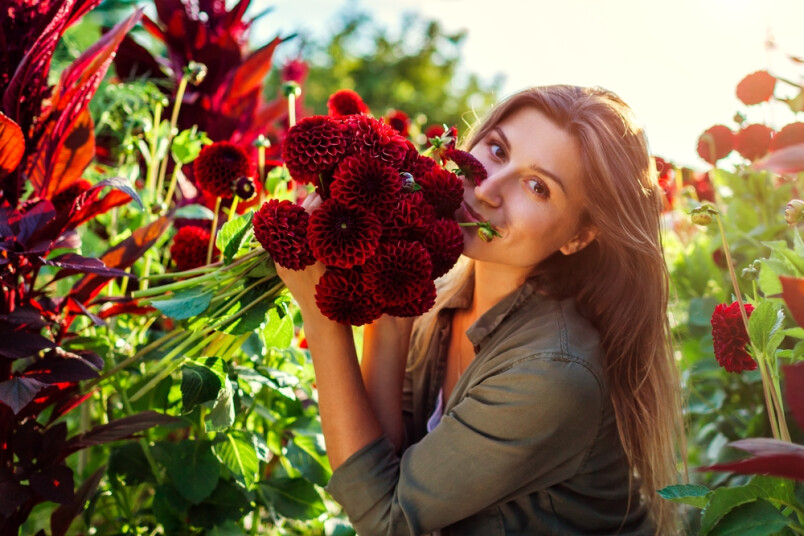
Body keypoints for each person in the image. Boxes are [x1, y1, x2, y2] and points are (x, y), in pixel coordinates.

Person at [275, 85, 684, 535]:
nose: (487, 188)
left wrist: (321, 315)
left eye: (537, 186)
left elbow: (386, 518)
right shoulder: (450, 299)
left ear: (578, 237)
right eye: (496, 149)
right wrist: (390, 316)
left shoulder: (552, 370)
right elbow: (389, 461)